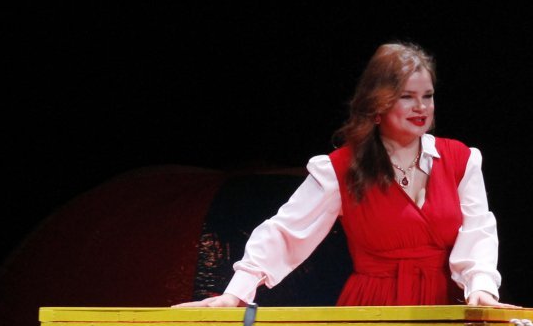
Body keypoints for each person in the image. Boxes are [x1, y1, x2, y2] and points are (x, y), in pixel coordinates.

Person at [176, 41, 503, 309]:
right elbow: (286, 231)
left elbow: (479, 231)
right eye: (407, 97)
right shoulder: (342, 169)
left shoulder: (460, 160)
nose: (421, 107)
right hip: (374, 311)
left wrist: (482, 287)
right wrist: (236, 293)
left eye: (427, 96)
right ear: (378, 105)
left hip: (445, 310)